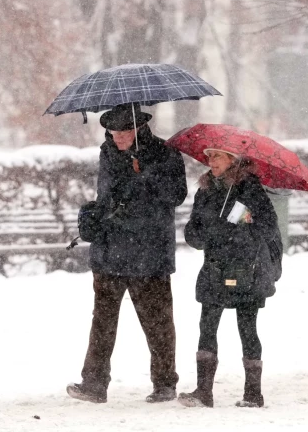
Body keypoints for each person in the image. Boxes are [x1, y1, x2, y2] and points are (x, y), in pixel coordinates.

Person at [67, 103, 188, 404]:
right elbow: (108, 197)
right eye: (112, 131)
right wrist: (94, 215)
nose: (117, 137)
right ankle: (94, 383)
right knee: (103, 319)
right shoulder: (107, 153)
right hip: (110, 251)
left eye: (123, 132)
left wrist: (145, 171)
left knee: (157, 320)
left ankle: (164, 383)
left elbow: (176, 195)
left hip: (149, 252)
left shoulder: (165, 153)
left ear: (138, 128)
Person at [178, 149, 283, 409]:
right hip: (215, 268)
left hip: (246, 270)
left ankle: (253, 393)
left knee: (247, 328)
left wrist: (236, 232)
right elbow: (194, 229)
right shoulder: (205, 190)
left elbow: (268, 227)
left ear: (232, 160)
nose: (211, 161)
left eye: (217, 156)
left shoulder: (250, 189)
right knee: (207, 326)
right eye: (209, 156)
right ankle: (204, 391)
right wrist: (196, 234)